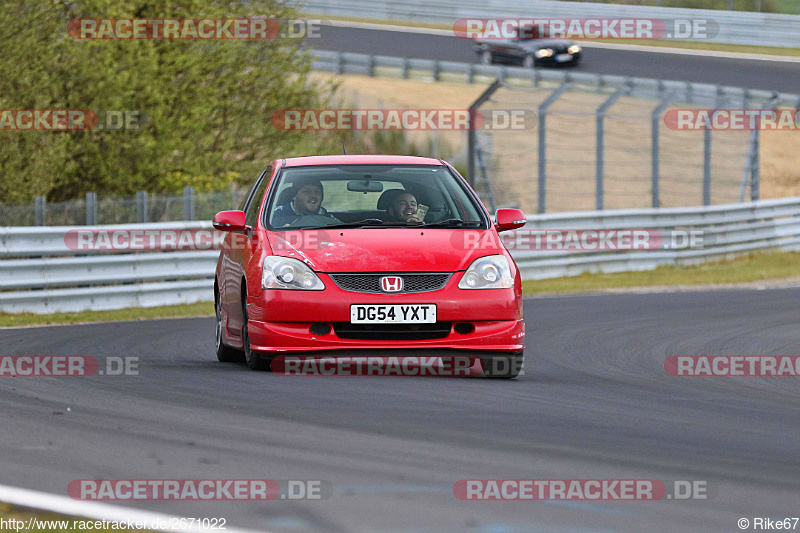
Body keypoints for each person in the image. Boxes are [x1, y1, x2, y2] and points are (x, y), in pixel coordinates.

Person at [272, 177, 338, 227]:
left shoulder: (328, 218)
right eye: (307, 191)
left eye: (317, 192)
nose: (313, 195)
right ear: (294, 196)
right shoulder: (275, 216)